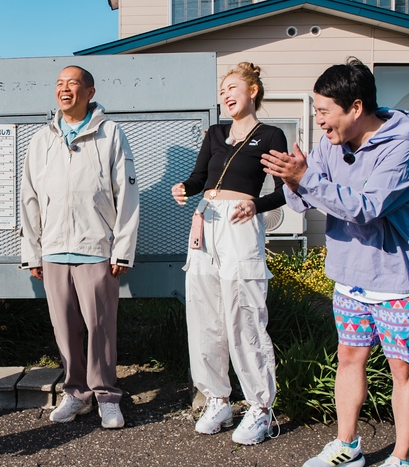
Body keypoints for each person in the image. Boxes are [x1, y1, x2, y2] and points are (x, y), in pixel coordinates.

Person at [262, 58, 409, 467]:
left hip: (399, 282)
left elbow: (364, 208)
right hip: (351, 278)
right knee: (349, 359)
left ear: (355, 107)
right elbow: (303, 201)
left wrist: (306, 180)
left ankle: (401, 457)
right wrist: (291, 180)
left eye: (323, 111)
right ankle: (347, 446)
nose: (318, 120)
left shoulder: (402, 150)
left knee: (402, 370)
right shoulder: (329, 146)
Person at [171, 62, 287, 445]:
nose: (225, 95)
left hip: (240, 223)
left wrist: (257, 204)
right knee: (203, 313)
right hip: (205, 222)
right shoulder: (216, 133)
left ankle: (260, 407)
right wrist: (184, 188)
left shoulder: (271, 134)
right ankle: (217, 398)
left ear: (253, 91)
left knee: (244, 314)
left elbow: (287, 189)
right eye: (222, 91)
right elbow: (199, 177)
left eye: (232, 87)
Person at [20, 65, 140, 429]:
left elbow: (127, 194)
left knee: (101, 326)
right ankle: (75, 392)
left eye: (72, 83)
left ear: (89, 91)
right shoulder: (42, 138)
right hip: (54, 250)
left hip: (97, 247)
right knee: (64, 328)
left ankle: (106, 395)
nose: (64, 89)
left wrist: (123, 249)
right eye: (59, 83)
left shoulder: (110, 133)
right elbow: (29, 198)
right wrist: (32, 251)